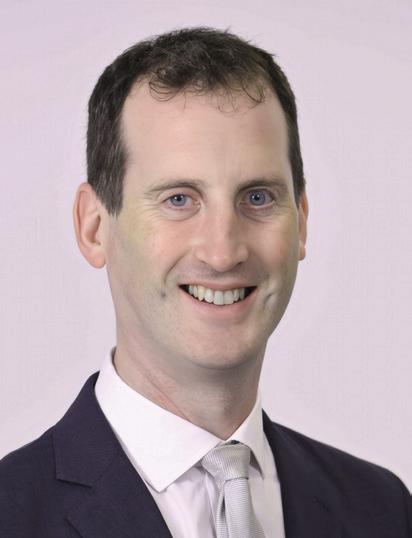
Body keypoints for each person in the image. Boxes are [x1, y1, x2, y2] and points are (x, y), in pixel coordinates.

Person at [0, 26, 410, 538]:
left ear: (301, 221)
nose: (223, 252)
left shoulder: (381, 510)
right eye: (179, 199)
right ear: (93, 226)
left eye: (257, 197)